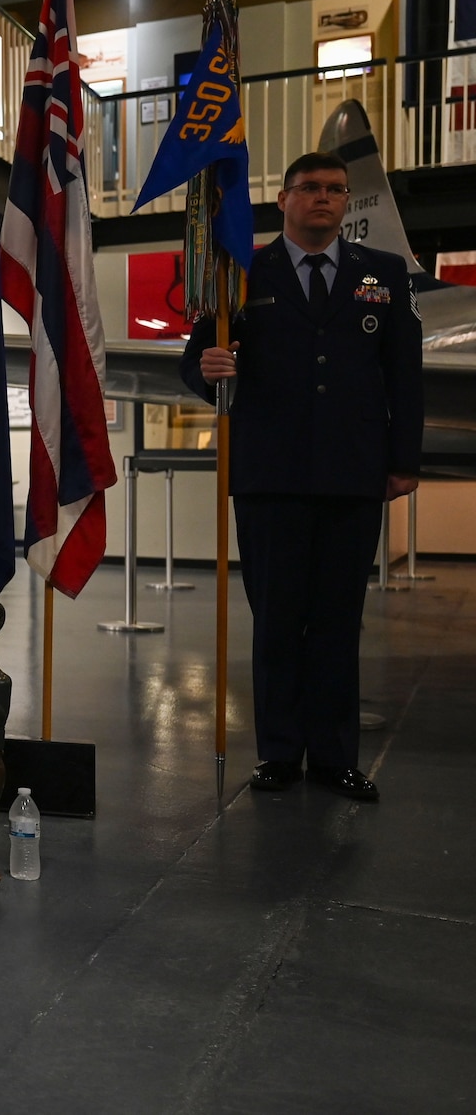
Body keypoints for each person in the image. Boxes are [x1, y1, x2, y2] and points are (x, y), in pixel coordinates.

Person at [181, 150, 422, 803]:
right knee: (279, 620)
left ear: (347, 202)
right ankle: (282, 752)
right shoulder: (241, 273)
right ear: (283, 199)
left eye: (336, 190)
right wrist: (208, 366)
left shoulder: (384, 275)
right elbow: (193, 361)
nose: (324, 198)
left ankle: (336, 754)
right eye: (310, 188)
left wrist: (403, 460)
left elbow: (404, 373)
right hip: (270, 475)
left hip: (352, 475)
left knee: (340, 620)